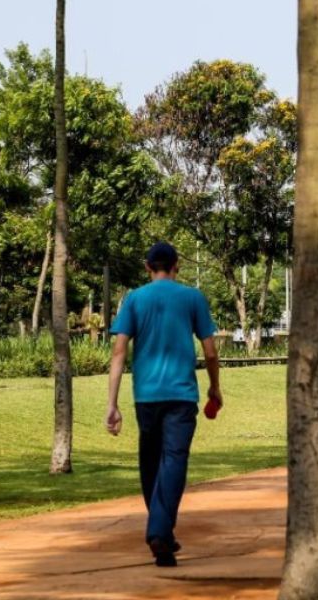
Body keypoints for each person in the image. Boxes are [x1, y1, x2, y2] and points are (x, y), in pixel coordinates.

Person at [105, 242, 222, 567]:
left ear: (147, 267)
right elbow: (210, 351)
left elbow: (119, 352)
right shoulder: (192, 298)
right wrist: (215, 388)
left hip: (146, 397)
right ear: (176, 266)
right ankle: (159, 531)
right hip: (182, 396)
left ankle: (163, 538)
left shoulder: (135, 299)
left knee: (151, 464)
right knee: (173, 462)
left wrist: (112, 404)